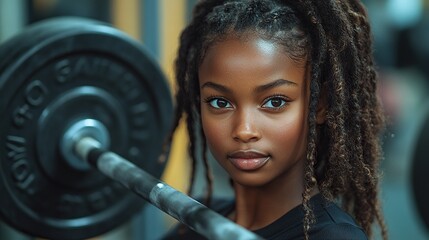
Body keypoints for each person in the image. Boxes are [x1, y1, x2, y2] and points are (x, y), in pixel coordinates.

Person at [162, 0, 388, 239]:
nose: (244, 130)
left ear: (320, 106)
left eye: (275, 102)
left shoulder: (333, 237)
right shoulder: (195, 222)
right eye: (220, 103)